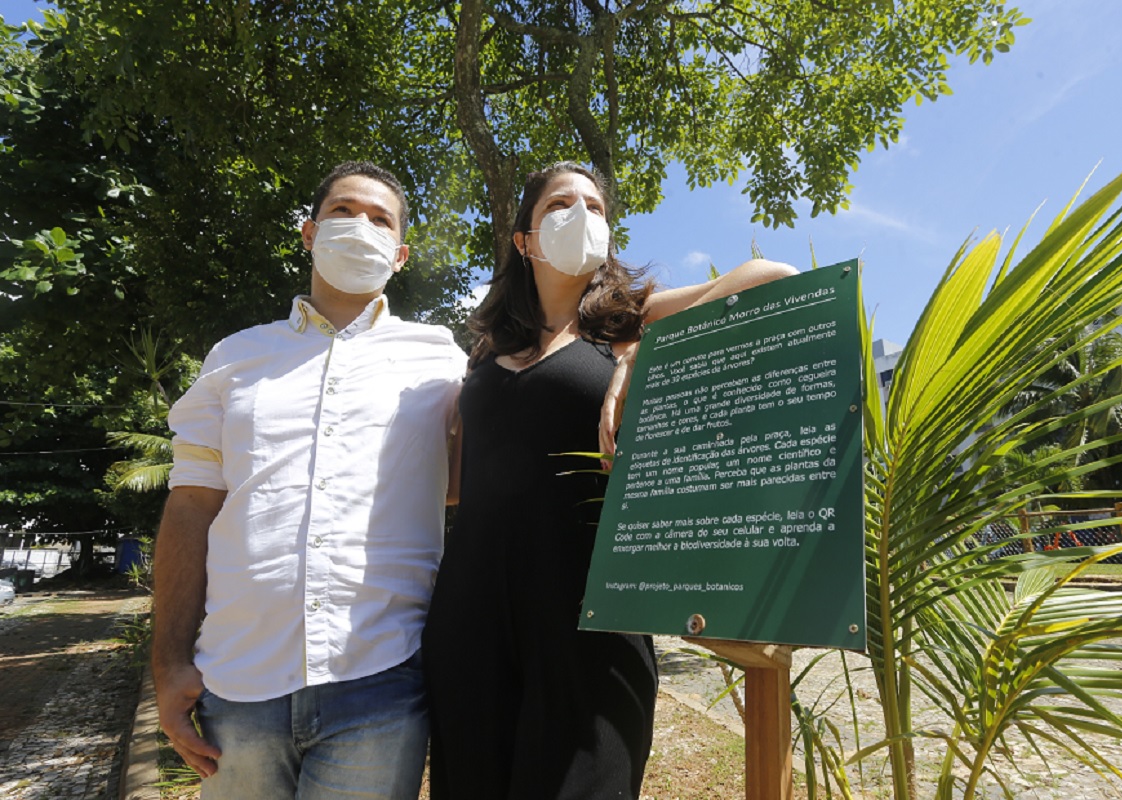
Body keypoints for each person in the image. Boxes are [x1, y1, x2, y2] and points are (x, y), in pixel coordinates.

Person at [421, 161, 796, 799]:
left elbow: (775, 278)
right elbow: (457, 487)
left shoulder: (630, 321)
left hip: (589, 611)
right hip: (470, 611)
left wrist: (642, 355)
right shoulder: (486, 349)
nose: (582, 216)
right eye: (560, 204)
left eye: (595, 207)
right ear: (524, 240)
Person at [152, 161, 467, 800]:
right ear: (308, 232)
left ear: (400, 254)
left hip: (381, 681)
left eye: (381, 219)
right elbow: (190, 509)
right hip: (236, 683)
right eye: (344, 211)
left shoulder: (442, 357)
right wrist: (168, 663)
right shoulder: (235, 358)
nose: (361, 226)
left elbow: (467, 481)